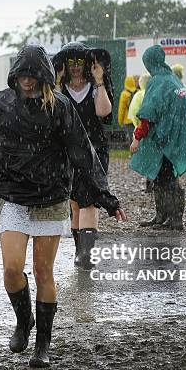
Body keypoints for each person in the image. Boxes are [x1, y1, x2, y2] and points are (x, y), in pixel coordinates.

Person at [0, 44, 125, 368]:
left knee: (44, 271)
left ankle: (43, 343)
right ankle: (23, 319)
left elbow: (82, 153)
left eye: (33, 75)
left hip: (51, 199)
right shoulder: (0, 104)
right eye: (22, 75)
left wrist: (104, 196)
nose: (27, 81)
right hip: (13, 197)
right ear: (15, 75)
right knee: (12, 270)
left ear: (42, 75)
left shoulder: (59, 106)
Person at [129, 45, 186, 231]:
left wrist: (137, 137)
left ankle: (173, 219)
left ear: (150, 62)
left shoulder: (158, 82)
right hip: (178, 138)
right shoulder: (174, 80)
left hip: (164, 140)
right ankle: (163, 216)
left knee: (165, 178)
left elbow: (148, 114)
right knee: (166, 177)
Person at [53, 41, 113, 269]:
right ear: (64, 65)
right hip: (68, 152)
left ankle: (86, 254)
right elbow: (53, 113)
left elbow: (103, 112)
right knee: (76, 203)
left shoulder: (97, 85)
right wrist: (57, 83)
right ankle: (81, 251)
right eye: (71, 62)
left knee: (90, 201)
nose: (76, 66)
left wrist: (99, 81)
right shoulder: (60, 89)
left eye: (80, 62)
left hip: (94, 151)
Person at [128, 73, 157, 198]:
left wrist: (137, 132)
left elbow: (135, 113)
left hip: (142, 130)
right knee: (155, 158)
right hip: (154, 132)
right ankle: (156, 182)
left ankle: (149, 182)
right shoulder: (156, 93)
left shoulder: (140, 95)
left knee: (147, 157)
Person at [117, 75, 138, 143]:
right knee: (138, 139)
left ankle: (133, 153)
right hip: (137, 120)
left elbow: (121, 109)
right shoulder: (138, 92)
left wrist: (120, 121)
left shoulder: (124, 94)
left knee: (131, 140)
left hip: (128, 120)